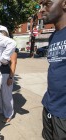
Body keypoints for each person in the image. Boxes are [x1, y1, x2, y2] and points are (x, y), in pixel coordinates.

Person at [40, 0, 66, 139]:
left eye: (47, 4)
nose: (42, 10)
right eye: (41, 5)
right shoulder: (53, 36)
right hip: (49, 105)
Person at [0, 30, 18, 123]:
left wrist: (11, 77)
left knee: (6, 97)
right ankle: (1, 111)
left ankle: (9, 114)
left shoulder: (11, 48)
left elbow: (13, 63)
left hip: (6, 74)